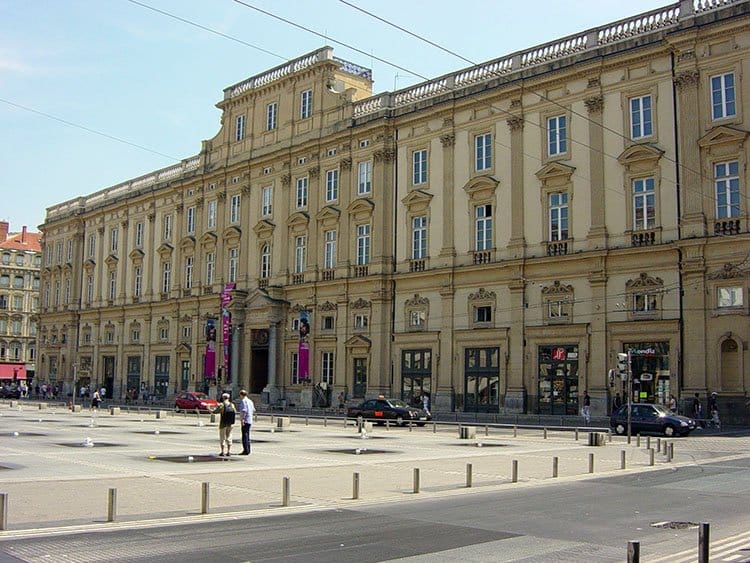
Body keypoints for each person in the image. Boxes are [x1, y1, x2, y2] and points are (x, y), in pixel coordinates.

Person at [213, 393, 236, 457]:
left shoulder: (222, 404)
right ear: (228, 398)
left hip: (223, 423)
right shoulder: (232, 405)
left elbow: (215, 411)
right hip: (230, 423)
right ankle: (229, 451)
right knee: (229, 437)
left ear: (223, 398)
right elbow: (234, 412)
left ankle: (222, 451)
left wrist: (209, 408)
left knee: (222, 437)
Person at [238, 389, 255, 455]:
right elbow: (253, 410)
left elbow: (244, 411)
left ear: (241, 395)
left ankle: (245, 450)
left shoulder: (243, 401)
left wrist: (242, 420)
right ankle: (248, 449)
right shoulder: (250, 401)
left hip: (246, 420)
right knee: (247, 435)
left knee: (244, 436)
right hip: (250, 420)